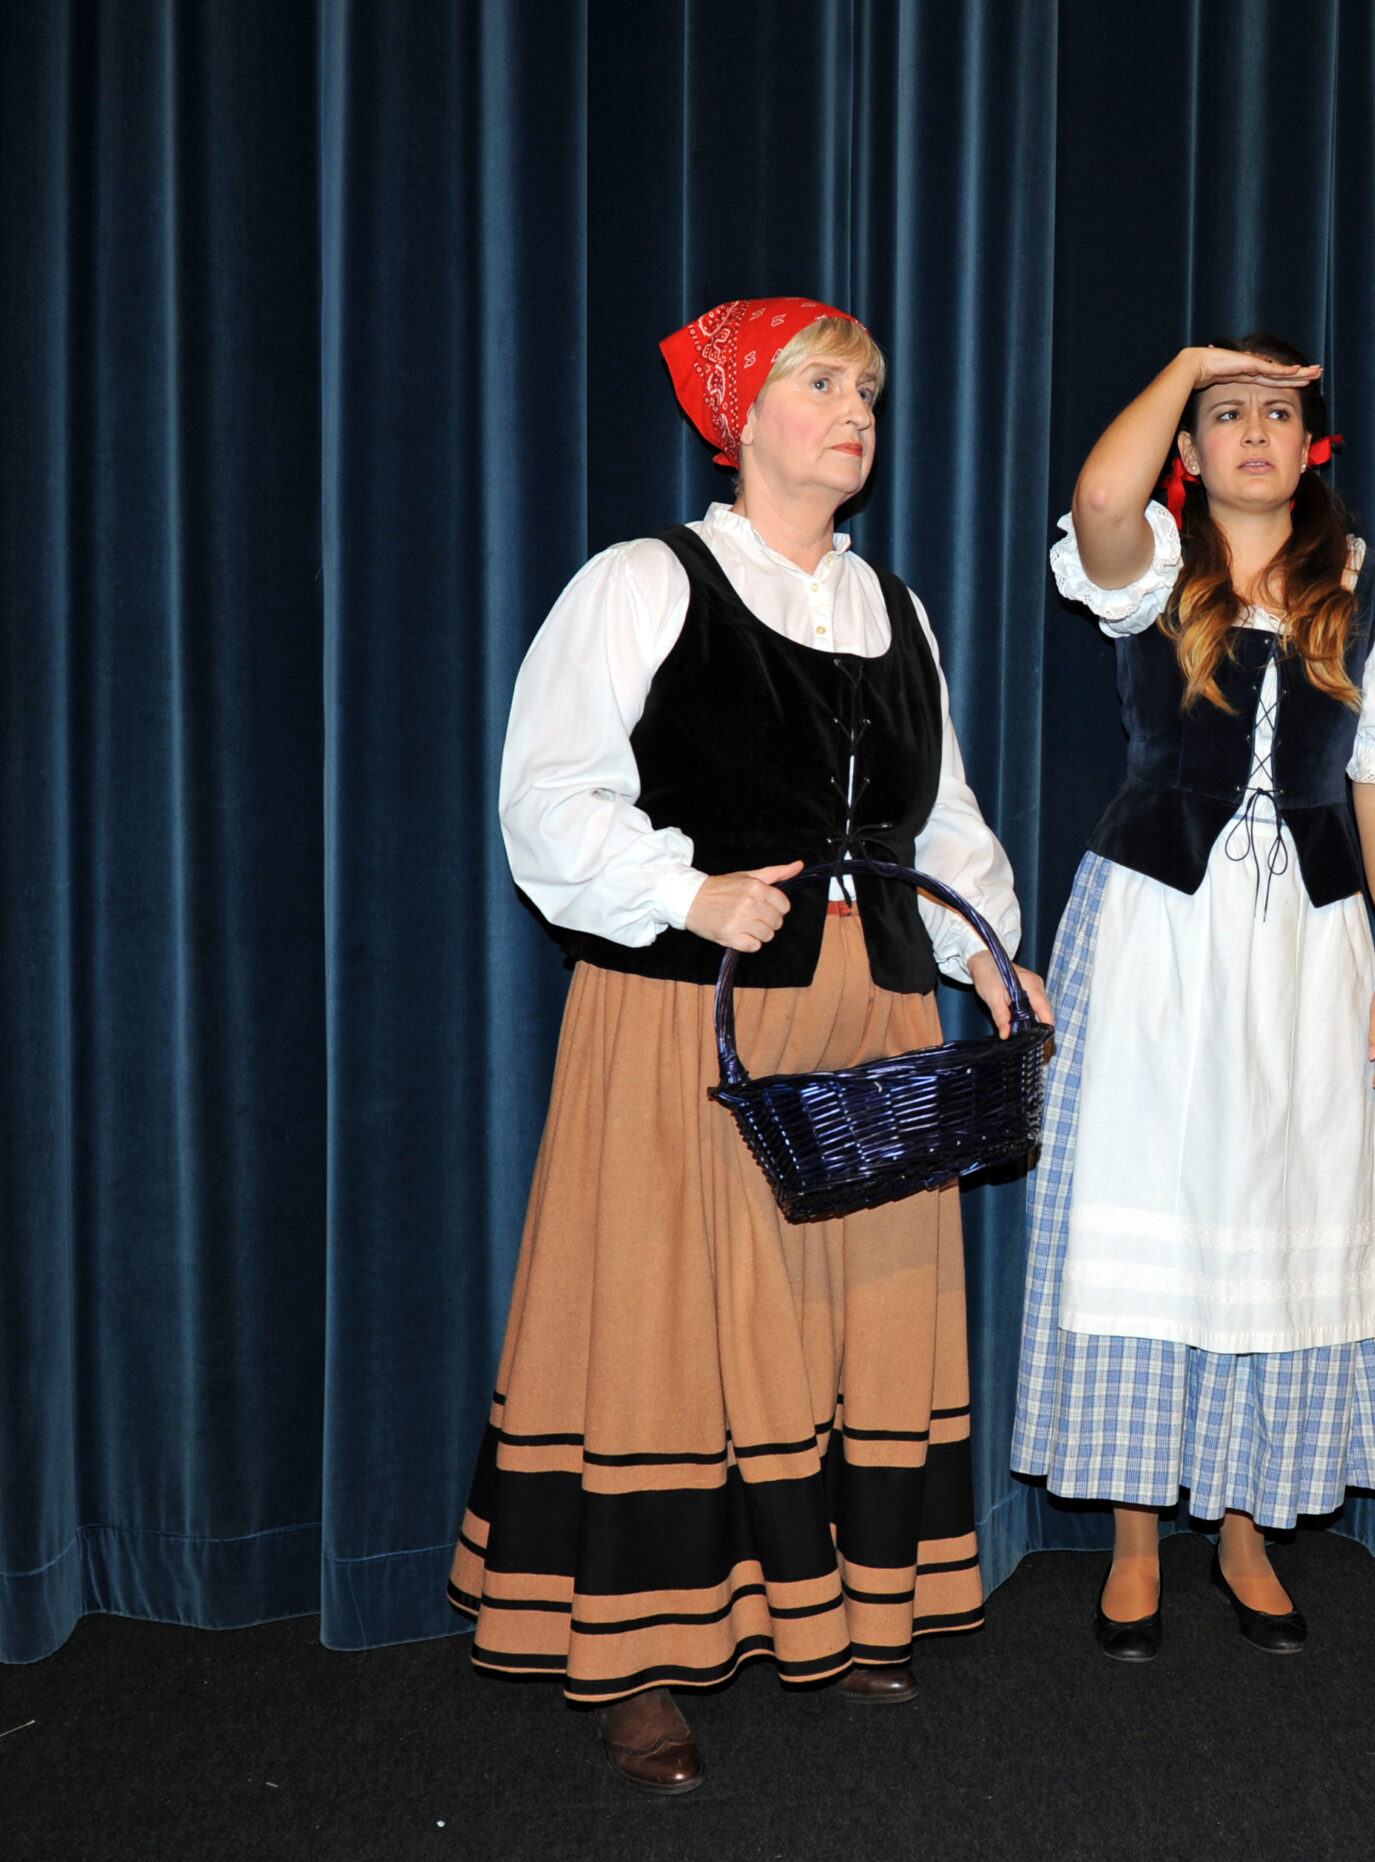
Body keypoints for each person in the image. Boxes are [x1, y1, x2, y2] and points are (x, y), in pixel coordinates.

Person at [447, 297, 1051, 1793]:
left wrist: (991, 953)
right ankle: (639, 1651)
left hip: (873, 1003)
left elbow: (941, 820)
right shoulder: (645, 581)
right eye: (821, 384)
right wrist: (684, 890)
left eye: (869, 393)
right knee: (668, 1319)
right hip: (691, 1008)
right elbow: (549, 796)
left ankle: (845, 1604)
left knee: (861, 1309)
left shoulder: (897, 611)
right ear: (740, 417)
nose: (855, 413)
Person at [1011, 335, 1375, 1660]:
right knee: (1147, 1195)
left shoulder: (1373, 592)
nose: (1254, 431)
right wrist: (1187, 362)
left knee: (1276, 1198)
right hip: (1154, 931)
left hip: (1307, 948)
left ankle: (1248, 1526)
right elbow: (1099, 498)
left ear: (1313, 445)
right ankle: (1138, 1539)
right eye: (1225, 413)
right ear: (1190, 453)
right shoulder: (1150, 570)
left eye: (1277, 413)